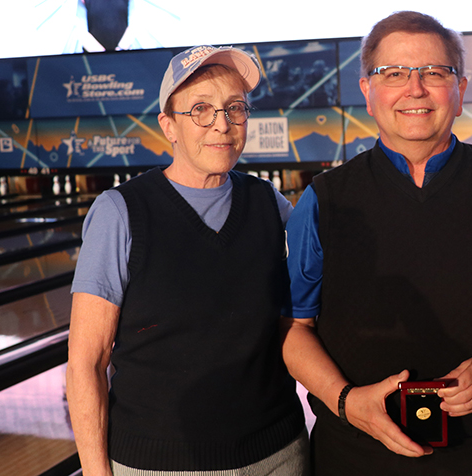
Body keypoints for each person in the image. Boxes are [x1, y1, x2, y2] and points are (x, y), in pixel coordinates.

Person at [282, 11, 472, 476]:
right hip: (353, 458)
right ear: (368, 93)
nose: (415, 88)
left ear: (461, 90)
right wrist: (348, 402)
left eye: (435, 72)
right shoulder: (323, 200)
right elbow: (294, 327)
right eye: (393, 74)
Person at [65, 45, 309, 476]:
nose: (223, 124)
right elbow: (87, 361)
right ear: (169, 126)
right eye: (201, 109)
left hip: (278, 453)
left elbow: (308, 312)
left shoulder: (269, 203)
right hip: (158, 464)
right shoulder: (120, 212)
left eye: (235, 108)